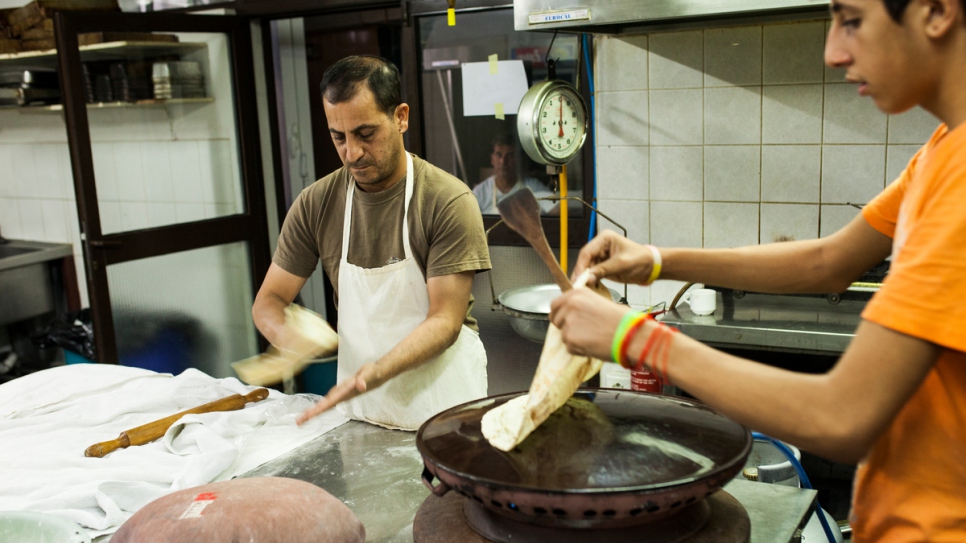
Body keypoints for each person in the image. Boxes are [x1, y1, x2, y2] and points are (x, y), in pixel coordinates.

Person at [549, 0, 966, 541]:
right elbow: (830, 260)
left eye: (852, 19)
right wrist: (657, 261)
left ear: (936, 11)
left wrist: (634, 338)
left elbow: (842, 418)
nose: (833, 52)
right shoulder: (940, 153)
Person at [252, 55, 491, 431]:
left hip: (446, 411)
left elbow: (445, 320)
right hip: (363, 415)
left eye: (365, 134)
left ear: (401, 117)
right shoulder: (316, 203)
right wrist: (288, 336)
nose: (352, 152)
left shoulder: (447, 201)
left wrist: (377, 371)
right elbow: (268, 301)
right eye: (338, 137)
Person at [473, 132, 557, 214]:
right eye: (499, 155)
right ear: (492, 159)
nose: (503, 161)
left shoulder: (534, 187)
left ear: (519, 160)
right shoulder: (480, 192)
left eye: (510, 156)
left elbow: (556, 210)